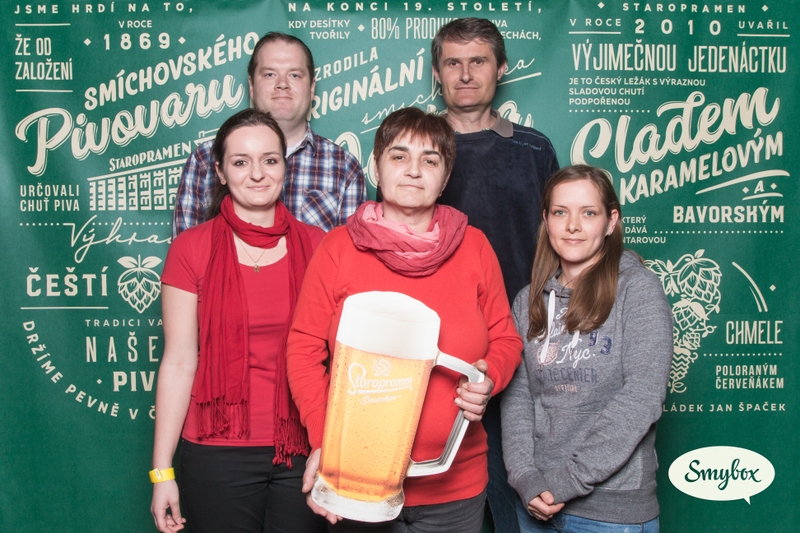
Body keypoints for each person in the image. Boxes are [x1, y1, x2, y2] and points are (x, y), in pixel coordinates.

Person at [286, 107, 523, 532]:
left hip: (455, 486)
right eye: (399, 156)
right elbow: (304, 351)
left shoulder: (474, 247)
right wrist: (327, 443)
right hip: (357, 479)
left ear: (445, 178)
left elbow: (506, 338)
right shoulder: (337, 249)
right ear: (376, 168)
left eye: (430, 160)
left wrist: (489, 378)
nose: (414, 170)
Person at [150, 109, 327, 533]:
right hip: (216, 452)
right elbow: (179, 361)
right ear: (220, 171)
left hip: (302, 448)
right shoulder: (191, 249)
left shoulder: (320, 246)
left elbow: (337, 360)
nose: (257, 174)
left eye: (270, 160)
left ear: (285, 166)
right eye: (241, 162)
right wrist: (161, 472)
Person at [431, 18, 560, 532]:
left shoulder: (534, 149)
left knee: (523, 497)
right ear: (437, 73)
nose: (465, 74)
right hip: (440, 352)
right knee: (439, 500)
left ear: (501, 68)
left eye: (478, 61)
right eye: (453, 63)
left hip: (522, 346)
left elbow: (561, 243)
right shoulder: (418, 151)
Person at [501, 165, 673, 533]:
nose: (573, 226)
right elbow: (517, 399)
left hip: (610, 512)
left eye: (589, 213)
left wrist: (566, 480)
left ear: (611, 222)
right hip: (535, 504)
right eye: (560, 212)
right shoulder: (527, 301)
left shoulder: (638, 290)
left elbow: (642, 396)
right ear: (546, 220)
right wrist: (526, 478)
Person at [172, 32, 366, 238]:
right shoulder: (205, 159)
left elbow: (348, 255)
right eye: (269, 74)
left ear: (312, 88)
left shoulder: (344, 167)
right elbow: (187, 250)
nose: (282, 84)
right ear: (251, 86)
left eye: (294, 75)